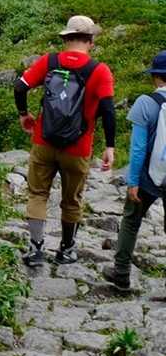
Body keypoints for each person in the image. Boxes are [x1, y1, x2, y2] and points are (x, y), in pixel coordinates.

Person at [14, 15, 115, 268]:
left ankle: (36, 248)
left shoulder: (49, 62)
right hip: (78, 148)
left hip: (44, 141)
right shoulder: (99, 70)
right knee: (72, 200)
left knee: (38, 194)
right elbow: (108, 110)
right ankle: (67, 249)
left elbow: (20, 87)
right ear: (90, 40)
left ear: (66, 38)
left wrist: (24, 114)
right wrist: (110, 146)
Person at [102, 50, 166, 291]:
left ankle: (121, 274)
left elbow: (138, 149)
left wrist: (133, 182)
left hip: (148, 177)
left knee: (131, 220)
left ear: (155, 76)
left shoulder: (145, 103)